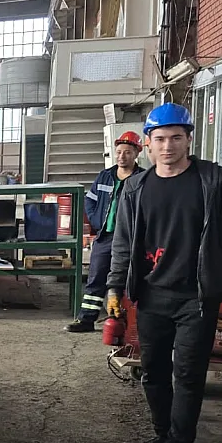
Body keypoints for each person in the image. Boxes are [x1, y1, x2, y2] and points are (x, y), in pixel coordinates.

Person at [107, 102, 222, 443]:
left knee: (187, 375)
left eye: (176, 138)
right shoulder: (136, 188)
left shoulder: (215, 182)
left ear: (189, 140)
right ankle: (162, 437)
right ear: (148, 144)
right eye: (160, 139)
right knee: (153, 372)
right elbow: (122, 244)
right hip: (151, 296)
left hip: (196, 298)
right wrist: (114, 287)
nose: (167, 146)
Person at [65, 131, 143, 332]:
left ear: (137, 153)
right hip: (105, 236)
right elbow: (90, 200)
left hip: (130, 239)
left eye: (127, 152)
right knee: (96, 276)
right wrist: (96, 220)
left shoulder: (143, 179)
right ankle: (86, 320)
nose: (122, 156)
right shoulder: (105, 176)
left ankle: (127, 322)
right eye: (119, 152)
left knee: (129, 279)